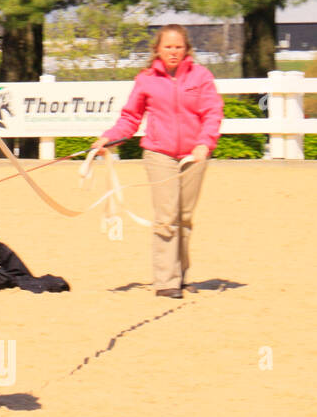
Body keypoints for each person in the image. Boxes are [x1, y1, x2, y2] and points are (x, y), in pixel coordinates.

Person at [92, 25, 224, 299]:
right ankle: (165, 281)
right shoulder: (146, 80)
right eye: (168, 47)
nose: (173, 52)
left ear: (186, 49)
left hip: (194, 156)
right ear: (157, 49)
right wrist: (109, 139)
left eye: (178, 47)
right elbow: (130, 118)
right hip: (159, 154)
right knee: (166, 217)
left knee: (184, 218)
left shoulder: (201, 77)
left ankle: (182, 275)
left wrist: (204, 144)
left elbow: (213, 112)